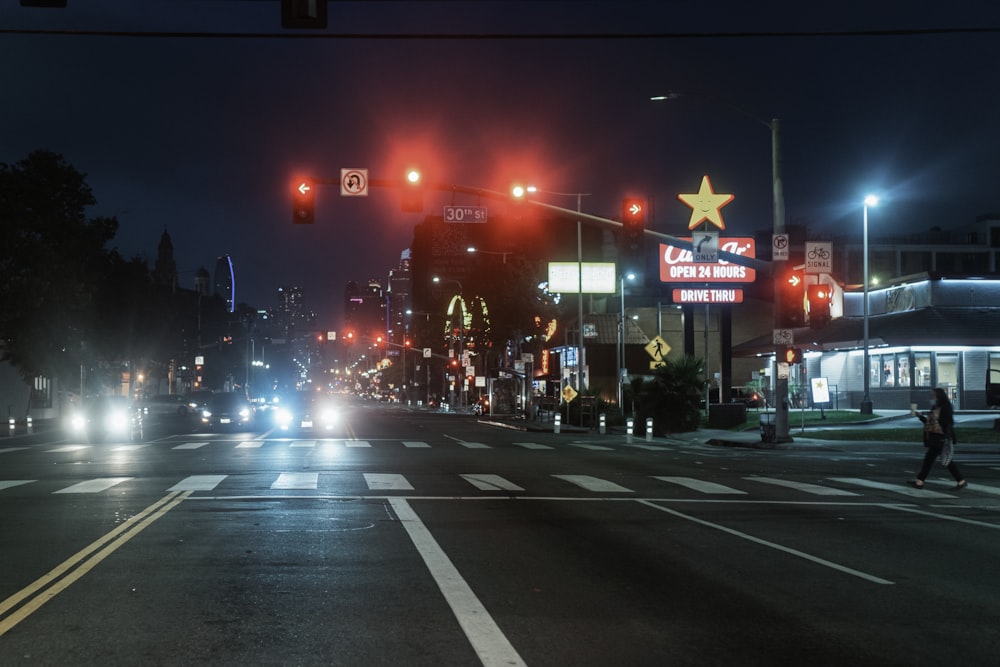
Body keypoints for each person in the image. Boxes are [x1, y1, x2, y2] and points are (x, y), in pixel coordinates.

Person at [908, 387, 967, 490]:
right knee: (945, 460)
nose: (931, 396)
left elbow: (947, 423)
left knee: (930, 459)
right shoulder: (935, 407)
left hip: (941, 437)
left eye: (933, 394)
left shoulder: (945, 407)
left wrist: (943, 431)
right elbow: (930, 423)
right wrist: (920, 416)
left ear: (939, 395)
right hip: (935, 436)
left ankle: (920, 482)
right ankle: (960, 481)